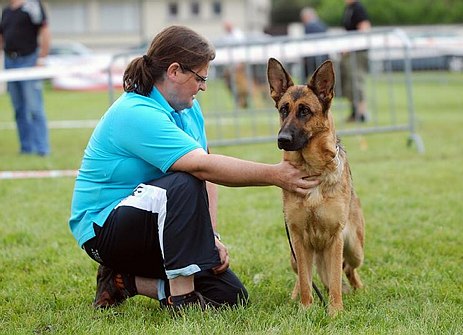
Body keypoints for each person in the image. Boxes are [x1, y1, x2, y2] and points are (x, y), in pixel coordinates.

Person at [68, 25, 319, 312]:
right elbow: (201, 168)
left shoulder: (189, 108)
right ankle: (182, 300)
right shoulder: (135, 112)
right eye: (200, 77)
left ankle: (123, 281)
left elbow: (207, 165)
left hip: (156, 218)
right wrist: (276, 175)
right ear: (174, 71)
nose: (203, 86)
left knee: (230, 295)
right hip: (105, 231)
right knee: (184, 181)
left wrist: (211, 236)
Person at [0, 0, 51, 156]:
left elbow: (44, 30)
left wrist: (42, 57)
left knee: (35, 107)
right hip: (10, 61)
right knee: (19, 109)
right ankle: (26, 148)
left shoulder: (33, 6)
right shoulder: (6, 11)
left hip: (29, 60)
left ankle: (42, 148)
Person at [340, 0, 371, 122]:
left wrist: (350, 46)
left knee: (356, 81)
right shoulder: (348, 9)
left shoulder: (358, 8)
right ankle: (355, 112)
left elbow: (364, 28)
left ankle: (362, 114)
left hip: (357, 53)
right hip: (350, 53)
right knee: (349, 84)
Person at [300, 7, 329, 80]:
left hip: (313, 58)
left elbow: (307, 43)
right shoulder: (322, 24)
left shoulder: (309, 26)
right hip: (324, 57)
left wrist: (304, 58)